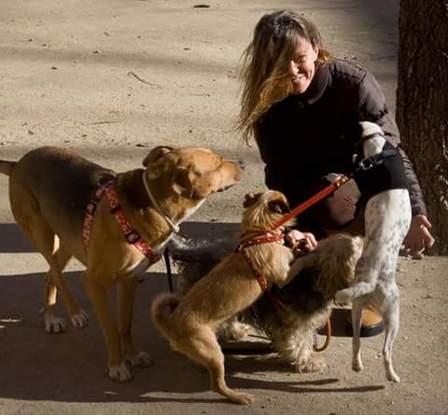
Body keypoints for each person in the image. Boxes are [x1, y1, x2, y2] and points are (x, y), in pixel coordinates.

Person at [237, 10, 435, 334]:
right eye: (278, 63)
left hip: (360, 181)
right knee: (288, 238)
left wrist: (415, 211)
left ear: (316, 47)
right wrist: (297, 228)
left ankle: (370, 280)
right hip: (308, 190)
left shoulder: (353, 84)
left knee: (357, 195)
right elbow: (280, 175)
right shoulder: (267, 108)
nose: (291, 71)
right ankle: (325, 265)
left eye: (298, 58)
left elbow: (391, 154)